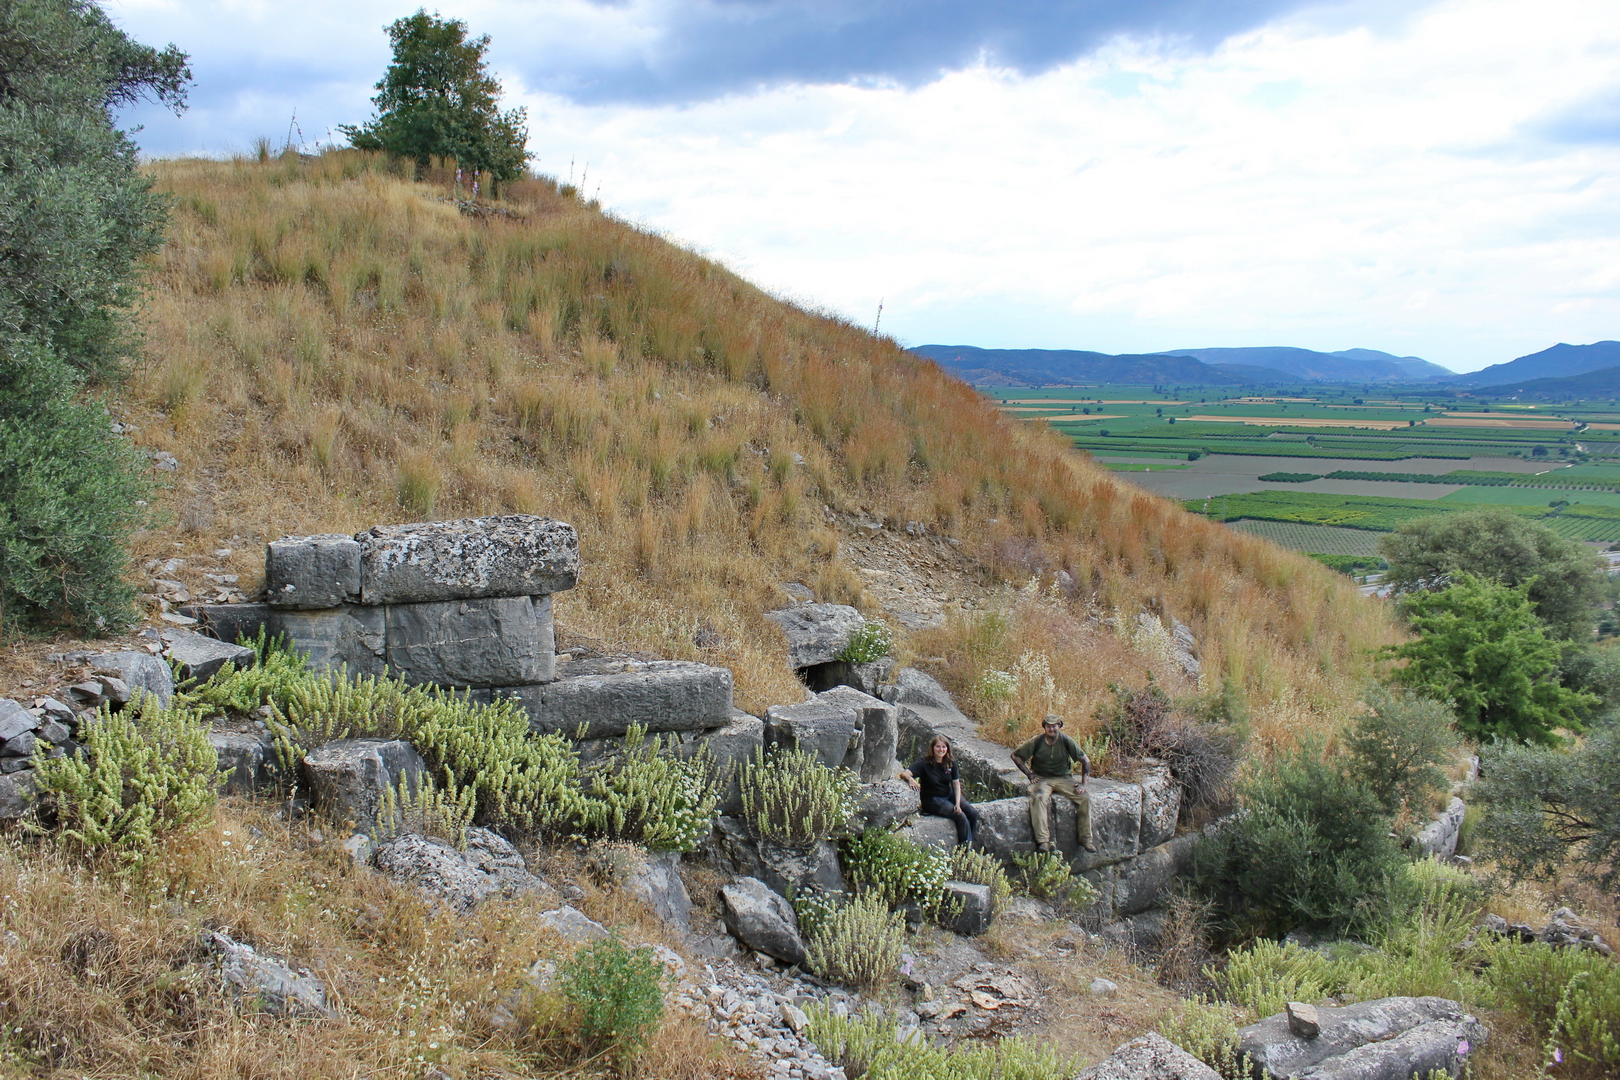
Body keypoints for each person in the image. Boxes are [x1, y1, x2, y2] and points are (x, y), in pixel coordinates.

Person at [1011, 714, 1095, 854]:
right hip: (1042, 778)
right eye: (1049, 726)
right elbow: (1016, 756)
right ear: (1045, 727)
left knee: (1084, 798)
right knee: (1038, 798)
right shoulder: (1037, 741)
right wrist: (1030, 774)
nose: (1052, 729)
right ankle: (1043, 841)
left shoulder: (1066, 741)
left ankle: (1086, 839)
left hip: (1064, 778)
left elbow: (1085, 761)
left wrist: (1083, 784)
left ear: (1059, 726)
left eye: (1055, 726)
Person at [900, 734, 979, 846]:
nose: (941, 750)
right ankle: (965, 850)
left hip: (947, 794)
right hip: (932, 799)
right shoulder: (924, 763)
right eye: (938, 747)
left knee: (972, 813)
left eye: (944, 747)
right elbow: (905, 773)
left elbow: (956, 785)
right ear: (933, 748)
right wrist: (910, 779)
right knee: (960, 817)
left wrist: (957, 803)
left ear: (947, 749)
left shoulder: (951, 763)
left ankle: (970, 844)